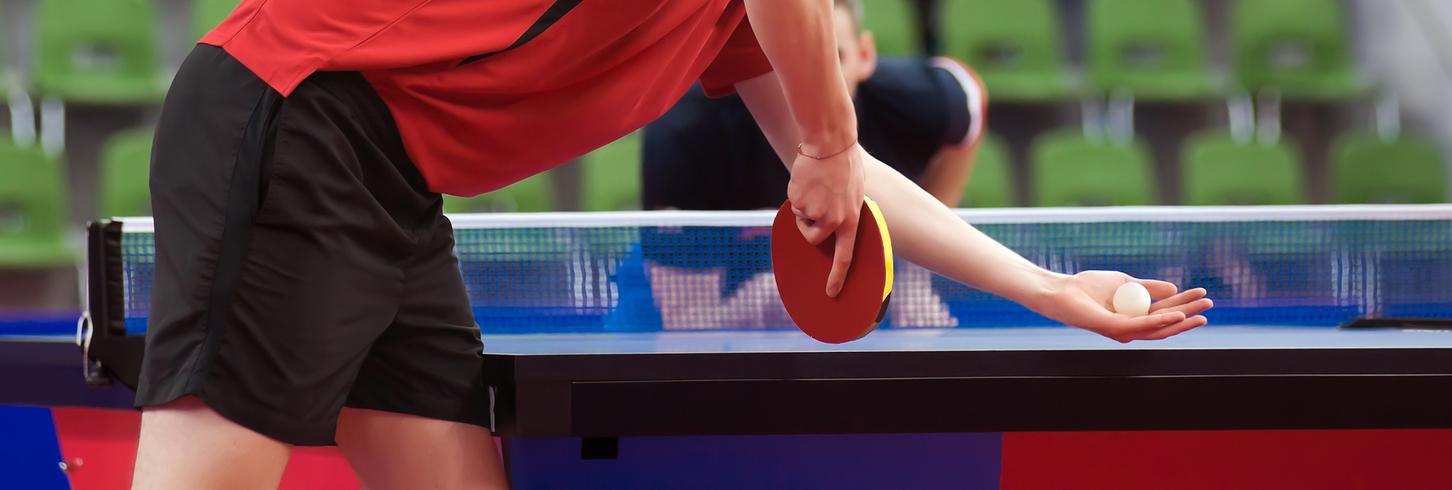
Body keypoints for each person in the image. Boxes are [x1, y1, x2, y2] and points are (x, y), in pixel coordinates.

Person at [136, 1, 1212, 488]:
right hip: (300, 118)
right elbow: (831, 150)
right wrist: (832, 144)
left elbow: (852, 175)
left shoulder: (728, 25)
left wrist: (1049, 287)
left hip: (401, 182)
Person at [630, 0, 984, 330]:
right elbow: (686, 319)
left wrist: (915, 265)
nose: (815, 82)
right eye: (780, 63)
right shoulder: (687, 132)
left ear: (864, 56)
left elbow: (971, 97)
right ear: (752, 59)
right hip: (711, 283)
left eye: (836, 59)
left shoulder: (917, 101)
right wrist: (774, 299)